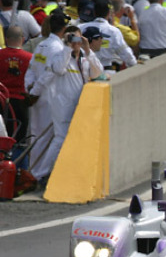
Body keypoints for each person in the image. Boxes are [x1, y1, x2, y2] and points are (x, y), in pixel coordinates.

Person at [34, 25, 102, 184]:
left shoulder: (85, 57)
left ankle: (60, 171)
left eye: (78, 38)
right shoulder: (61, 55)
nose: (76, 42)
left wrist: (87, 49)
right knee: (60, 138)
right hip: (62, 104)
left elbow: (97, 72)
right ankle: (41, 173)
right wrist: (67, 48)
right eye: (73, 39)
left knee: (74, 138)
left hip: (80, 104)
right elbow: (58, 69)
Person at [25, 10, 68, 182]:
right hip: (49, 96)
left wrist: (29, 89)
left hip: (37, 96)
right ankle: (38, 174)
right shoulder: (57, 48)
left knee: (37, 135)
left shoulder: (42, 45)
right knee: (46, 137)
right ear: (63, 29)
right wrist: (34, 91)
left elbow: (31, 70)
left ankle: (34, 171)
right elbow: (50, 73)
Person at [78, 0, 137, 72]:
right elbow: (126, 54)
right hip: (106, 72)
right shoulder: (114, 31)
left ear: (94, 12)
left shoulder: (80, 28)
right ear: (109, 13)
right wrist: (135, 65)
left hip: (85, 72)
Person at [0, 26, 32, 146]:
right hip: (21, 102)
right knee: (19, 138)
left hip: (1, 100)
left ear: (7, 39)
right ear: (22, 39)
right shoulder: (30, 58)